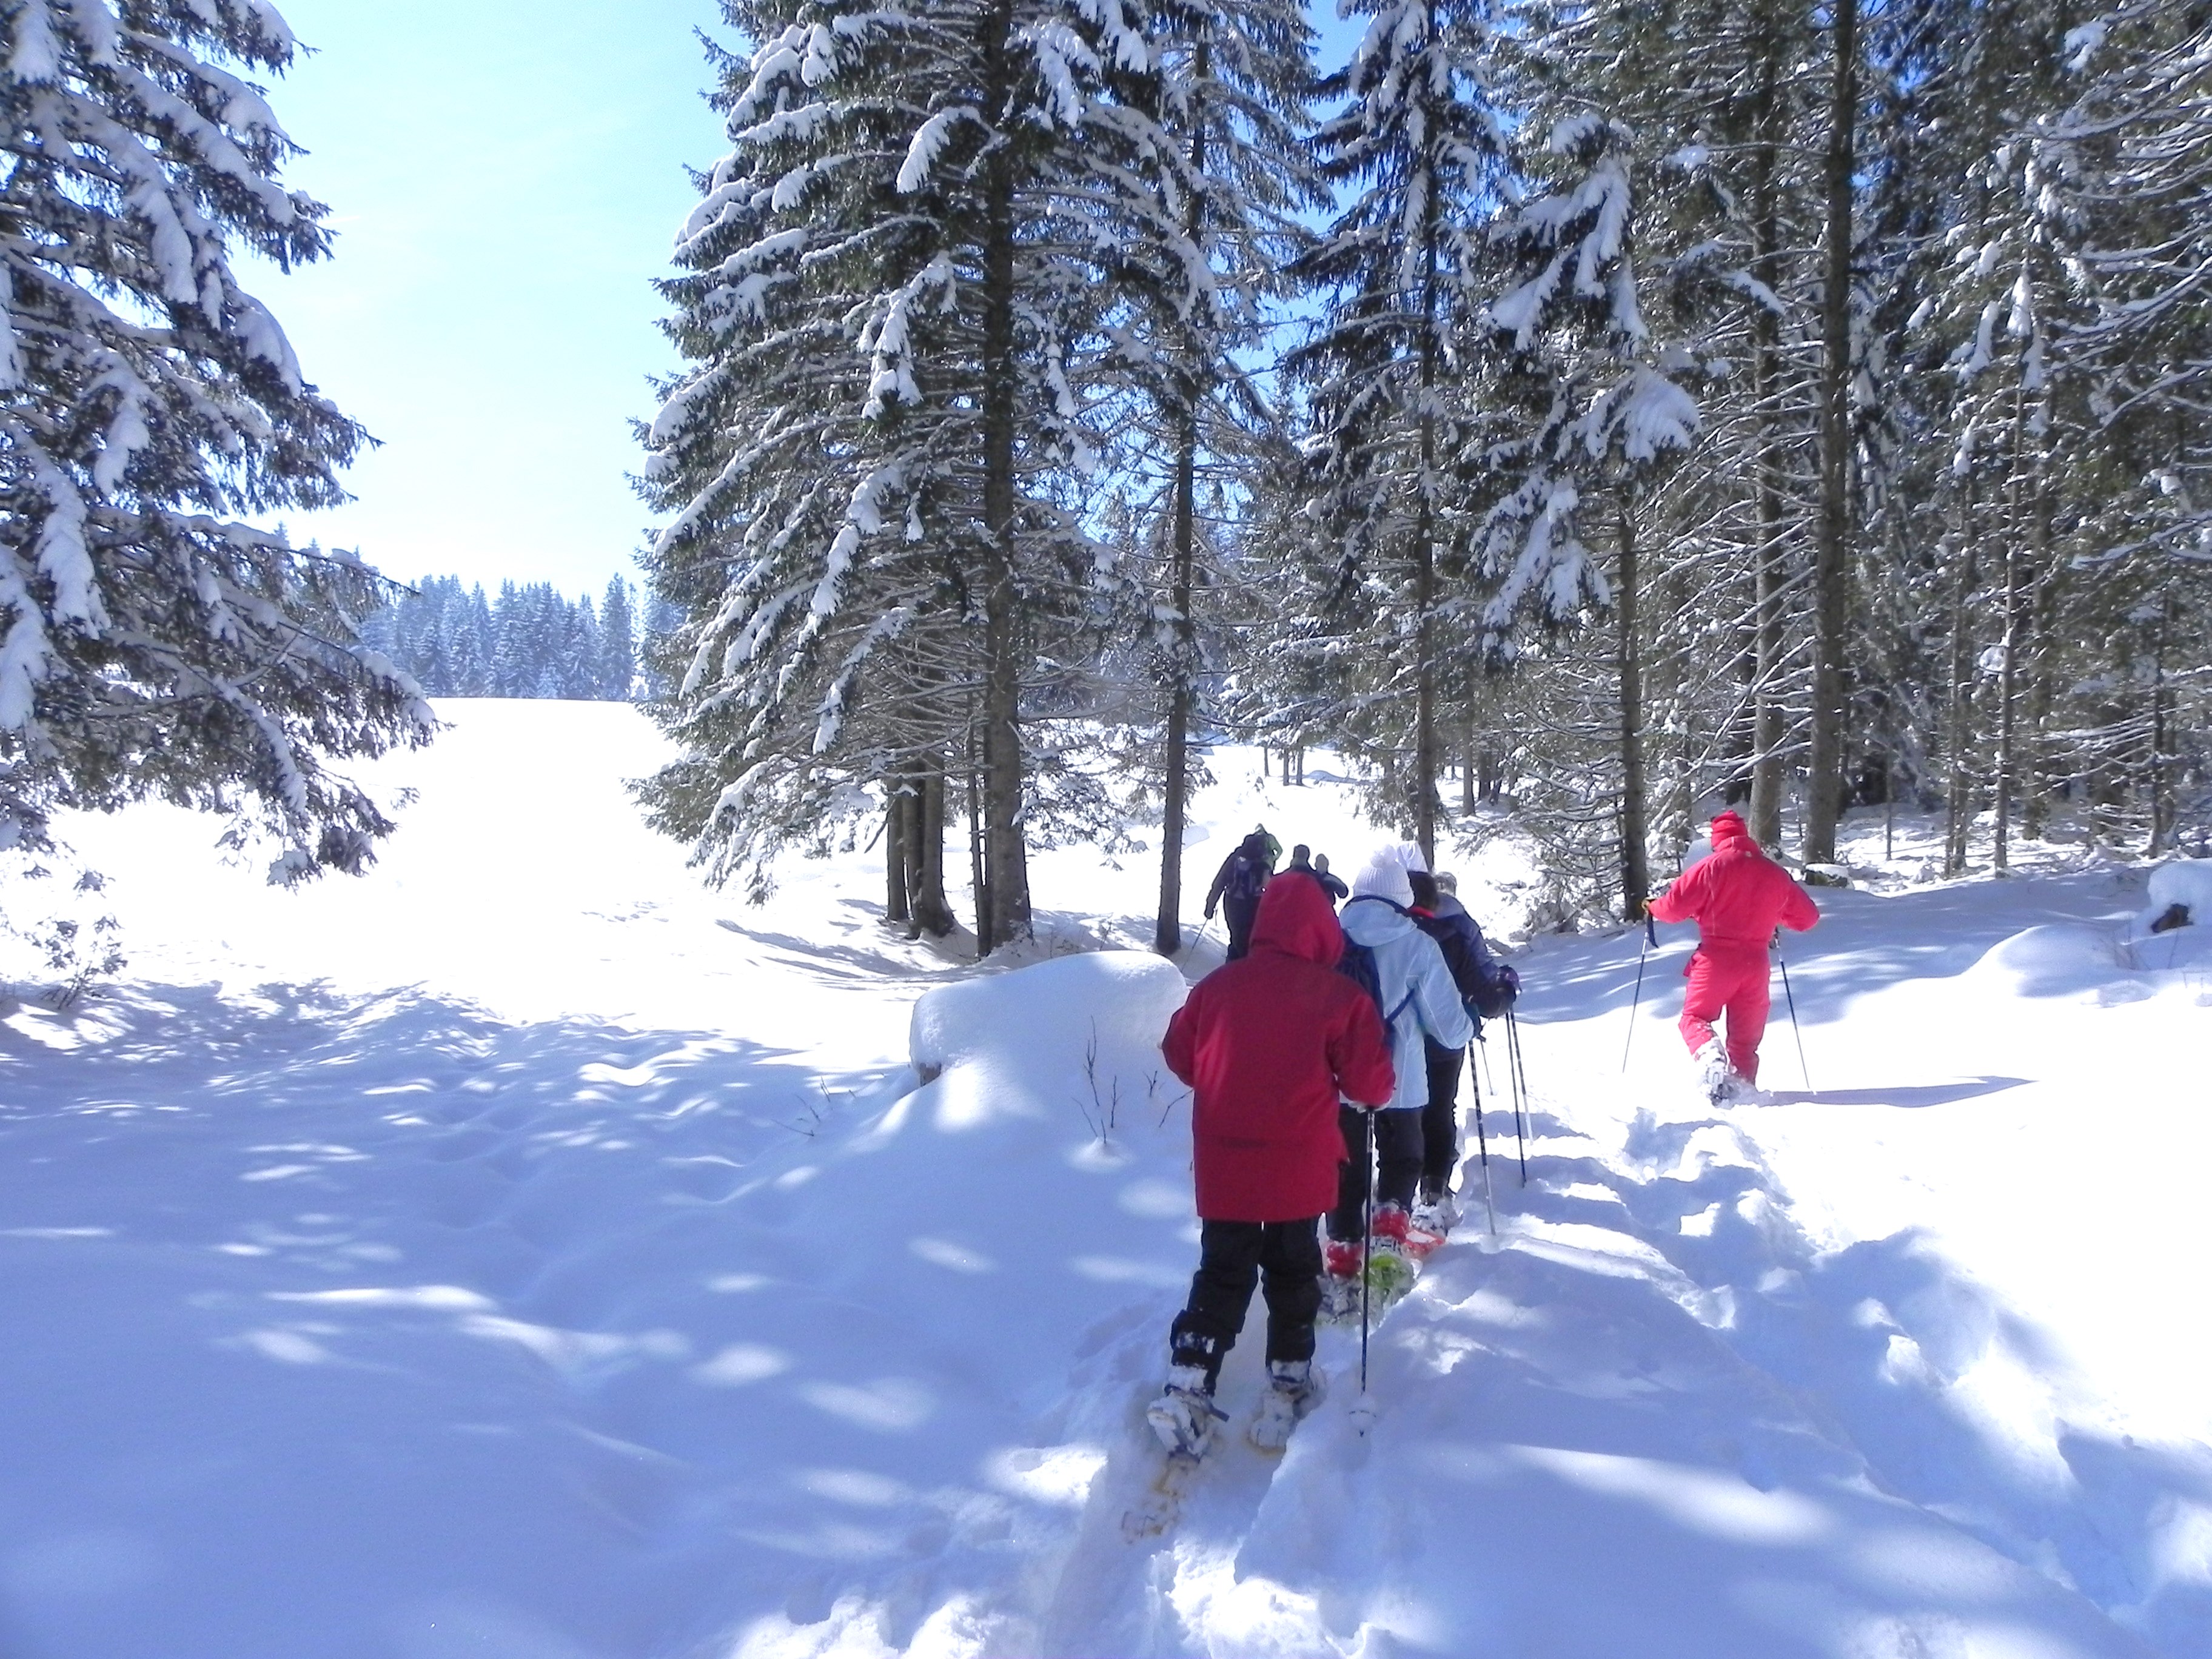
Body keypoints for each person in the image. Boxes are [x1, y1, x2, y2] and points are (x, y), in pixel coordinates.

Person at [1153, 873, 1394, 1458]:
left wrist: (1226, 1084)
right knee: (1291, 1271)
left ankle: (1189, 1383)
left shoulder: (1217, 987)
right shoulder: (1339, 997)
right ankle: (1287, 1381)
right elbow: (1372, 1085)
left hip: (1226, 1161)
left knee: (1222, 1271)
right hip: (1298, 1164)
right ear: (1320, 930)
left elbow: (1179, 1054)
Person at [1324, 848, 1474, 1314]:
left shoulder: (1327, 939)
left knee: (1344, 1168)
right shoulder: (1417, 945)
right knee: (1403, 1159)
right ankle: (1389, 1242)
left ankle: (1342, 1259)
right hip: (1401, 1081)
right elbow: (1450, 1029)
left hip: (1338, 1081)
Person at [1644, 809, 1820, 1104]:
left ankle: (1710, 1054)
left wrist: (1652, 907)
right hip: (1756, 966)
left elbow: (1673, 909)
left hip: (1715, 961)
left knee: (1695, 1018)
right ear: (1745, 837)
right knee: (1744, 1042)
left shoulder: (1710, 867)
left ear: (1718, 841)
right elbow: (1808, 918)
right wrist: (1774, 913)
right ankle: (1743, 1095)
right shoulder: (1774, 873)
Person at [1404, 870, 1515, 1235]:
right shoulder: (1457, 927)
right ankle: (1433, 1189)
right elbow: (1481, 986)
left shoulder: (1392, 927)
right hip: (1446, 1033)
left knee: (1403, 1107)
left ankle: (1396, 1190)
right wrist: (1504, 993)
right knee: (1439, 1106)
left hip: (1397, 1036)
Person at [1203, 828, 1277, 960]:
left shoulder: (1234, 859)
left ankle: (1231, 968)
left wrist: (1210, 905)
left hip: (1232, 904)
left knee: (1235, 939)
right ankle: (1247, 969)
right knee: (1250, 940)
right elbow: (1270, 887)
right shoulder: (1262, 864)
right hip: (1254, 905)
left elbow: (1219, 882)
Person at [1281, 844, 1350, 906]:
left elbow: (1344, 893)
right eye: (1320, 861)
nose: (1322, 864)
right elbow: (1343, 893)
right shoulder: (1315, 878)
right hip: (1319, 912)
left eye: (1324, 862)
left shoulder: (1282, 877)